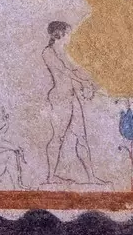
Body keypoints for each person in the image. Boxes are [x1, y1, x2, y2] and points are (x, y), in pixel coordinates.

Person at [43, 19, 104, 185]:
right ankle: (50, 177)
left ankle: (91, 178)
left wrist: (90, 83)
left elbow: (76, 71)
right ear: (59, 34)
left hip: (72, 97)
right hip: (60, 98)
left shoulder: (64, 52)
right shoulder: (48, 52)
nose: (70, 36)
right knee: (58, 137)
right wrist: (84, 83)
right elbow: (65, 71)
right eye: (68, 33)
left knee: (82, 138)